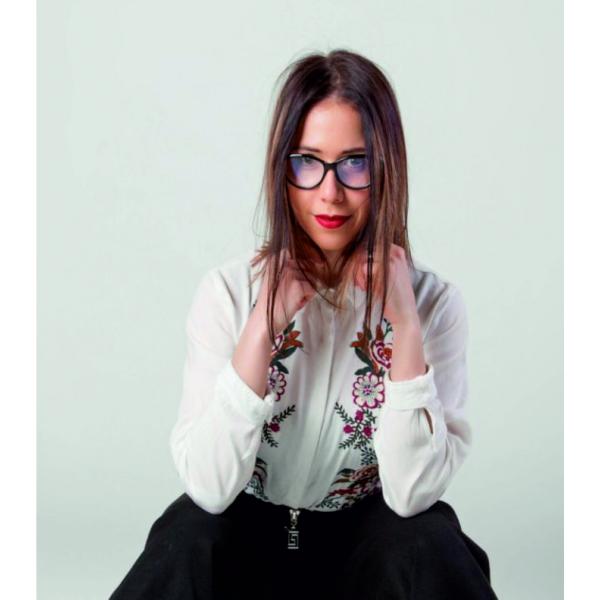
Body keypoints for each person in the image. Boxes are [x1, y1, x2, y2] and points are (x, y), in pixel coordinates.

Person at [109, 49, 499, 599]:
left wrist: (406, 329)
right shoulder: (228, 293)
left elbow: (413, 494)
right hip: (249, 562)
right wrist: (261, 328)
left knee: (428, 541)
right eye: (307, 162)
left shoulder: (434, 305)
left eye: (355, 163)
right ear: (282, 170)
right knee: (188, 534)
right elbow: (209, 487)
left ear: (386, 169)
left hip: (363, 568)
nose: (330, 192)